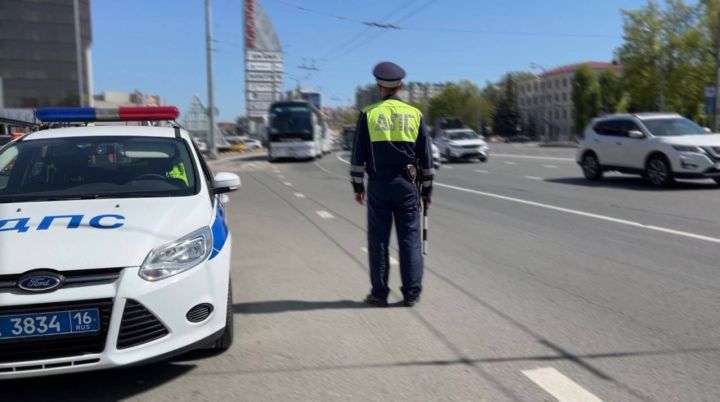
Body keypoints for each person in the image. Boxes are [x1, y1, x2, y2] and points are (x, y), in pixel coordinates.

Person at [350, 61, 433, 308]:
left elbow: (357, 156)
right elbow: (426, 159)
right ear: (401, 86)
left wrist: (358, 187)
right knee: (410, 239)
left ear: (379, 87)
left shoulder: (368, 114)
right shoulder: (415, 115)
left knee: (379, 241)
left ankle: (379, 293)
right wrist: (426, 191)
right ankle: (411, 293)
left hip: (378, 185)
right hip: (408, 186)